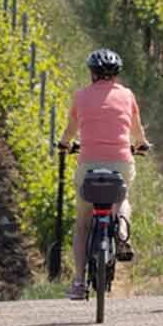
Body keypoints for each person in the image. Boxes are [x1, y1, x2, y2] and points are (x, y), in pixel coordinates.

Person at [58, 48, 150, 301]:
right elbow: (137, 131)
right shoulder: (127, 96)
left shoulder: (81, 96)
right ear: (116, 75)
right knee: (122, 201)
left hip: (88, 166)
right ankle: (121, 233)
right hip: (120, 163)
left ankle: (78, 283)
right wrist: (141, 144)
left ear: (91, 73)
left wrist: (65, 145)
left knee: (83, 223)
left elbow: (70, 131)